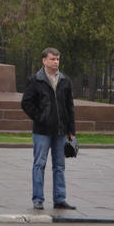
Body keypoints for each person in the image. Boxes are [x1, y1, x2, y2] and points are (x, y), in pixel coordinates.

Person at [21, 47, 76, 210]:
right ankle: (38, 199)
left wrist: (71, 130)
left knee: (59, 166)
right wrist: (40, 117)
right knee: (39, 164)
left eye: (58, 59)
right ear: (44, 60)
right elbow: (26, 103)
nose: (56, 62)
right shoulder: (35, 80)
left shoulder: (65, 80)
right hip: (42, 132)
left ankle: (60, 199)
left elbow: (69, 106)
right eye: (53, 59)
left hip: (60, 131)